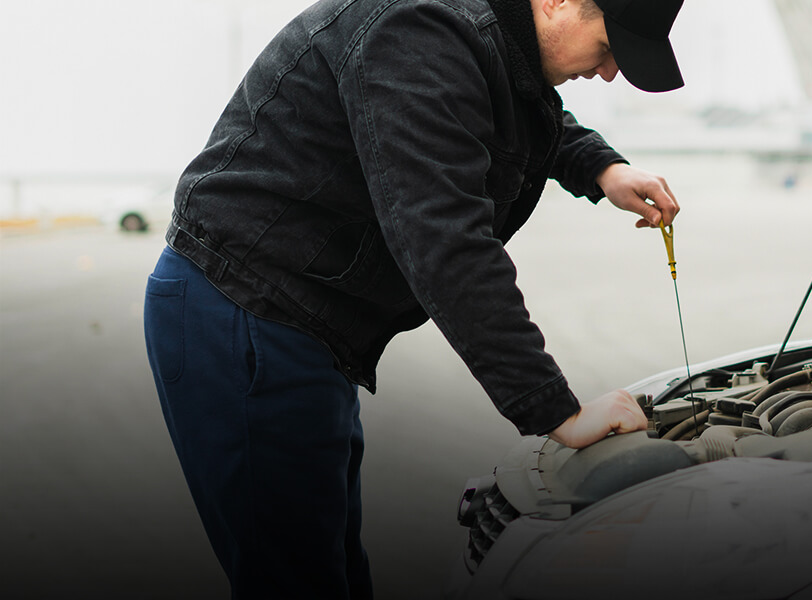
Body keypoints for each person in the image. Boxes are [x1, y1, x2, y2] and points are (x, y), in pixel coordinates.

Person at [142, 0, 686, 597]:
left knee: (334, 567)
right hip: (245, 314)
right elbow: (445, 240)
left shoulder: (484, 35)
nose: (608, 72)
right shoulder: (417, 32)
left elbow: (515, 107)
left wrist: (602, 167)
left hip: (301, 323)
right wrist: (559, 413)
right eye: (608, 49)